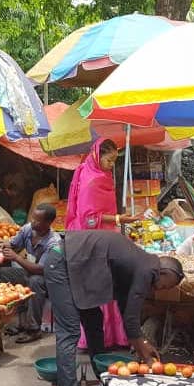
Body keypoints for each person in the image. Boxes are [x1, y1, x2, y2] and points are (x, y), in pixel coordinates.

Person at [42, 230, 183, 386]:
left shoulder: (139, 263)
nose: (159, 290)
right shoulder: (148, 269)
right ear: (166, 273)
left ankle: (104, 381)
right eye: (165, 286)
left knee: (94, 319)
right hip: (61, 263)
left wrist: (141, 342)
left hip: (73, 265)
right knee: (70, 332)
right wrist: (144, 349)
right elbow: (132, 318)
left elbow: (127, 313)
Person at [65, 138, 140, 350]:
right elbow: (89, 217)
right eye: (109, 160)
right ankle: (101, 338)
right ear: (99, 156)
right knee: (101, 286)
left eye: (115, 160)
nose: (112, 165)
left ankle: (111, 335)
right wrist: (119, 219)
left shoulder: (99, 175)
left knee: (108, 285)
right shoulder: (91, 180)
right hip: (92, 240)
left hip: (103, 238)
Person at [0, 203, 60, 343]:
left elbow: (41, 270)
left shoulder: (53, 242)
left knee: (35, 281)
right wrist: (2, 246)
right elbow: (13, 244)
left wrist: (16, 257)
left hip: (48, 280)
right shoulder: (28, 230)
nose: (32, 221)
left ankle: (33, 329)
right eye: (32, 218)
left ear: (47, 223)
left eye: (37, 220)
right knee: (1, 273)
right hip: (29, 273)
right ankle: (20, 322)